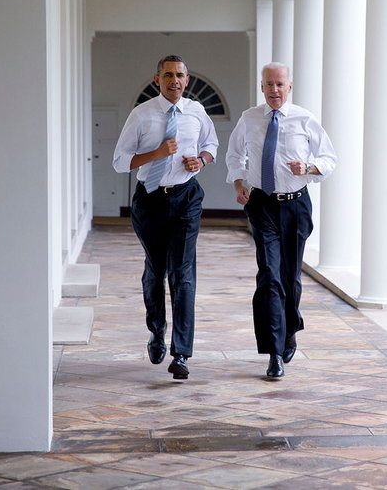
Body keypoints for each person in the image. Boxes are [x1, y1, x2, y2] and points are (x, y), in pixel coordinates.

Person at [225, 62, 336, 378]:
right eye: (269, 84)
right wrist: (238, 183)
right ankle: (273, 351)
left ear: (289, 87)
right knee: (270, 275)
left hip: (296, 205)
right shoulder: (249, 119)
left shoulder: (305, 119)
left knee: (290, 278)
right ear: (262, 87)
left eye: (280, 84)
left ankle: (290, 327)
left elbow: (329, 159)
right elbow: (235, 156)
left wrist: (310, 168)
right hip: (262, 204)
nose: (274, 90)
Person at [112, 55, 218, 380]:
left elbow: (211, 144)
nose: (175, 80)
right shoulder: (141, 115)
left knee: (183, 273)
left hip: (186, 198)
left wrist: (201, 160)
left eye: (180, 75)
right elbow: (119, 161)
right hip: (150, 201)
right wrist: (156, 154)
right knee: (156, 272)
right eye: (168, 75)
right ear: (157, 79)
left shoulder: (197, 112)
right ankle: (156, 332)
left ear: (187, 80)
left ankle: (182, 353)